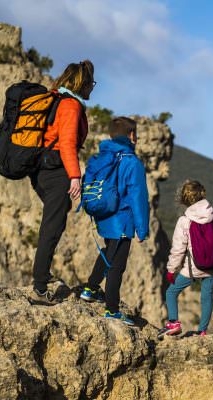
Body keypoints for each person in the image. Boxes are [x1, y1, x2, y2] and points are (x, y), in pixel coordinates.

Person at [31, 60, 94, 304]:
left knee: (54, 221)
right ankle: (39, 287)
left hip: (39, 168)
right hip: (55, 170)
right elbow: (67, 142)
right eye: (91, 83)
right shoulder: (70, 105)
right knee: (52, 226)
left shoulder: (54, 97)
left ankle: (42, 274)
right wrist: (75, 176)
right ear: (82, 83)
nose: (92, 88)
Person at [79, 117, 149, 325]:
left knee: (108, 253)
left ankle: (90, 289)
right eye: (135, 133)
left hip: (105, 216)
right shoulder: (131, 162)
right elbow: (138, 198)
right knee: (117, 266)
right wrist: (142, 229)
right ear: (131, 135)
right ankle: (112, 310)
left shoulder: (102, 157)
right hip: (123, 221)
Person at [158, 180, 213, 338]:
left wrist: (171, 270)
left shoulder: (185, 221)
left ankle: (174, 323)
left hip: (193, 269)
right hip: (212, 267)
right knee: (206, 297)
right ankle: (202, 330)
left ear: (184, 199)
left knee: (171, 292)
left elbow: (178, 249)